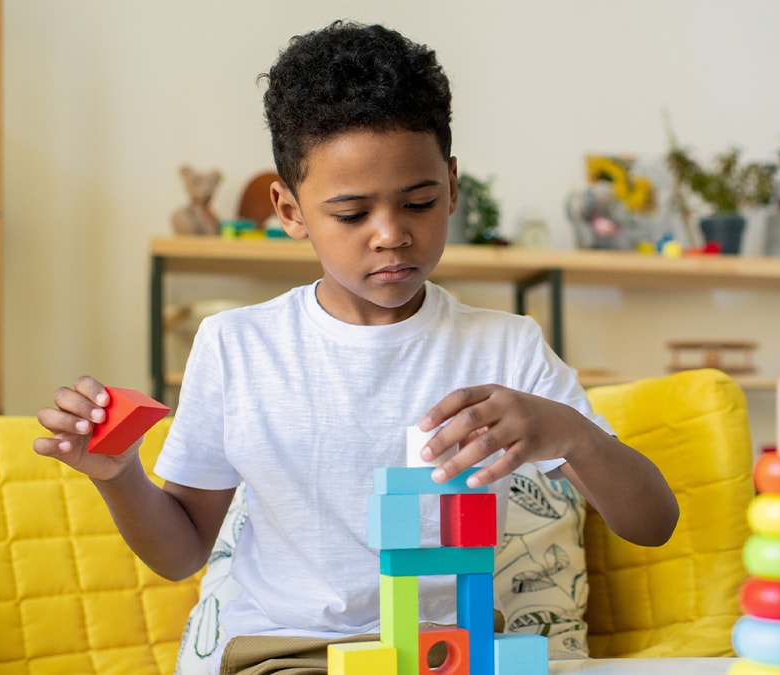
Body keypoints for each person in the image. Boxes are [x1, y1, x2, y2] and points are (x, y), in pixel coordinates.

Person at [35, 20, 678, 674]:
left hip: (455, 656)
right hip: (291, 654)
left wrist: (572, 434)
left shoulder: (506, 347)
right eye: (351, 214)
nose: (391, 234)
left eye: (420, 202)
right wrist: (120, 477)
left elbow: (652, 521)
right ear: (290, 211)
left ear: (451, 186)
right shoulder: (238, 346)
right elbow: (180, 552)